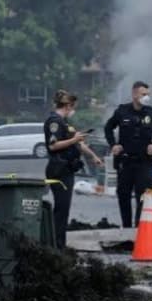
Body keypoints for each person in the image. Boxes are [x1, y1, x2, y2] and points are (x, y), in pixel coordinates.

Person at [104, 81, 152, 228]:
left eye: (148, 95)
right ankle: (126, 226)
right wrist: (113, 145)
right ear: (134, 94)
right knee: (123, 194)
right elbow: (108, 127)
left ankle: (139, 227)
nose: (146, 97)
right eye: (143, 94)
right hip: (125, 161)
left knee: (143, 195)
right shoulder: (122, 111)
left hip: (144, 162)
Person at [43, 90, 103, 249]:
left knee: (64, 209)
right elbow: (53, 145)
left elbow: (78, 143)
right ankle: (56, 245)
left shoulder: (65, 124)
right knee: (61, 209)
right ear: (68, 106)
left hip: (67, 169)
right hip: (58, 169)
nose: (73, 110)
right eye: (72, 107)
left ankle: (59, 244)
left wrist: (93, 156)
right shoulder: (54, 122)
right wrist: (74, 140)